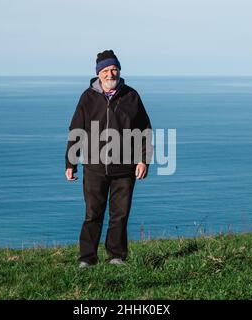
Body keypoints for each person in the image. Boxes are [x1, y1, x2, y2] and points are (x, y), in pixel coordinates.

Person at [65, 50, 153, 268]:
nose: (110, 73)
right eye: (105, 70)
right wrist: (70, 162)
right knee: (92, 215)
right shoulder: (87, 97)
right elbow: (76, 129)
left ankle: (116, 256)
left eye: (113, 69)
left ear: (119, 70)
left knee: (120, 215)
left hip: (125, 167)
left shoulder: (131, 96)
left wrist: (144, 160)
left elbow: (145, 129)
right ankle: (87, 258)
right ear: (98, 74)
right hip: (94, 167)